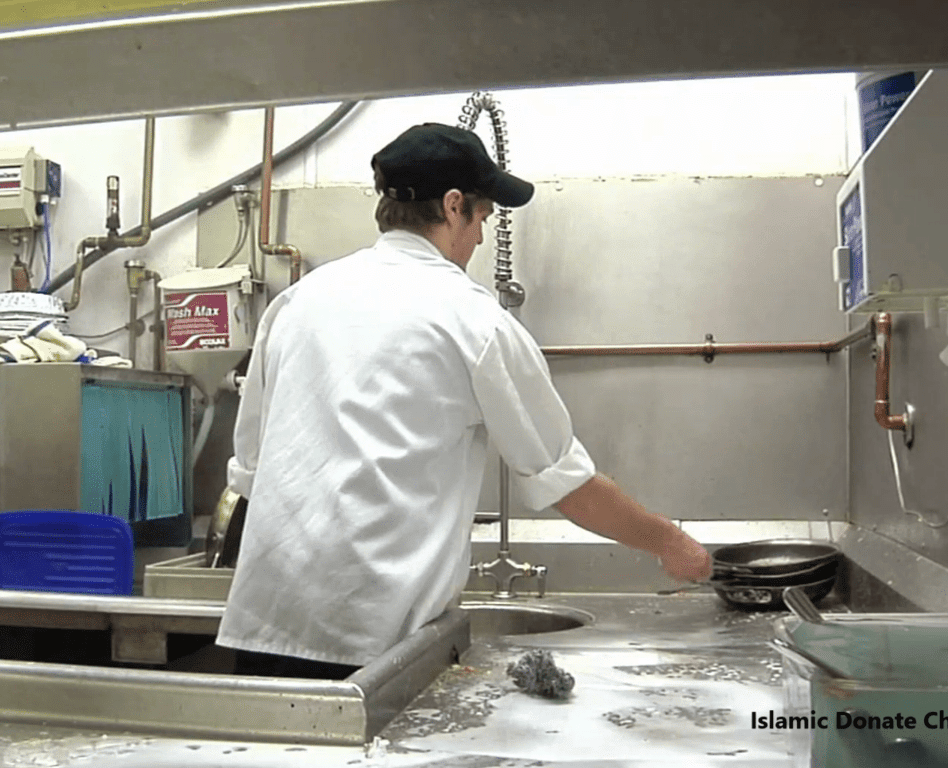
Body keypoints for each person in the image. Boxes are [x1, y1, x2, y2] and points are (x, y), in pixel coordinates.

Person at [215, 123, 712, 678]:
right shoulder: (472, 320)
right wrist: (671, 543)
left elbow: (251, 472)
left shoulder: (295, 304)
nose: (480, 237)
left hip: (263, 630)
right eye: (483, 218)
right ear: (454, 207)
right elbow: (566, 484)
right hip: (375, 647)